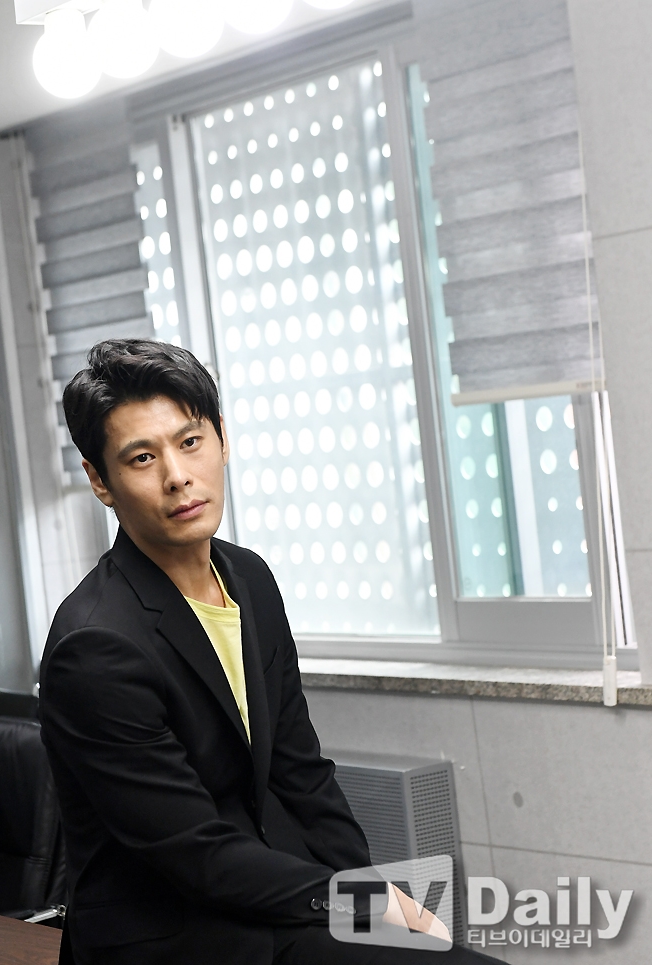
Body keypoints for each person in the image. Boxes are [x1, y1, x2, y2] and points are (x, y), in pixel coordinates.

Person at [40, 339, 503, 965]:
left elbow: (301, 772)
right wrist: (359, 904)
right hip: (178, 936)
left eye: (190, 442)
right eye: (143, 457)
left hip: (270, 900)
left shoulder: (248, 578)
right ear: (100, 480)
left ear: (222, 439)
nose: (177, 476)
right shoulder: (95, 646)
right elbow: (193, 853)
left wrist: (375, 894)